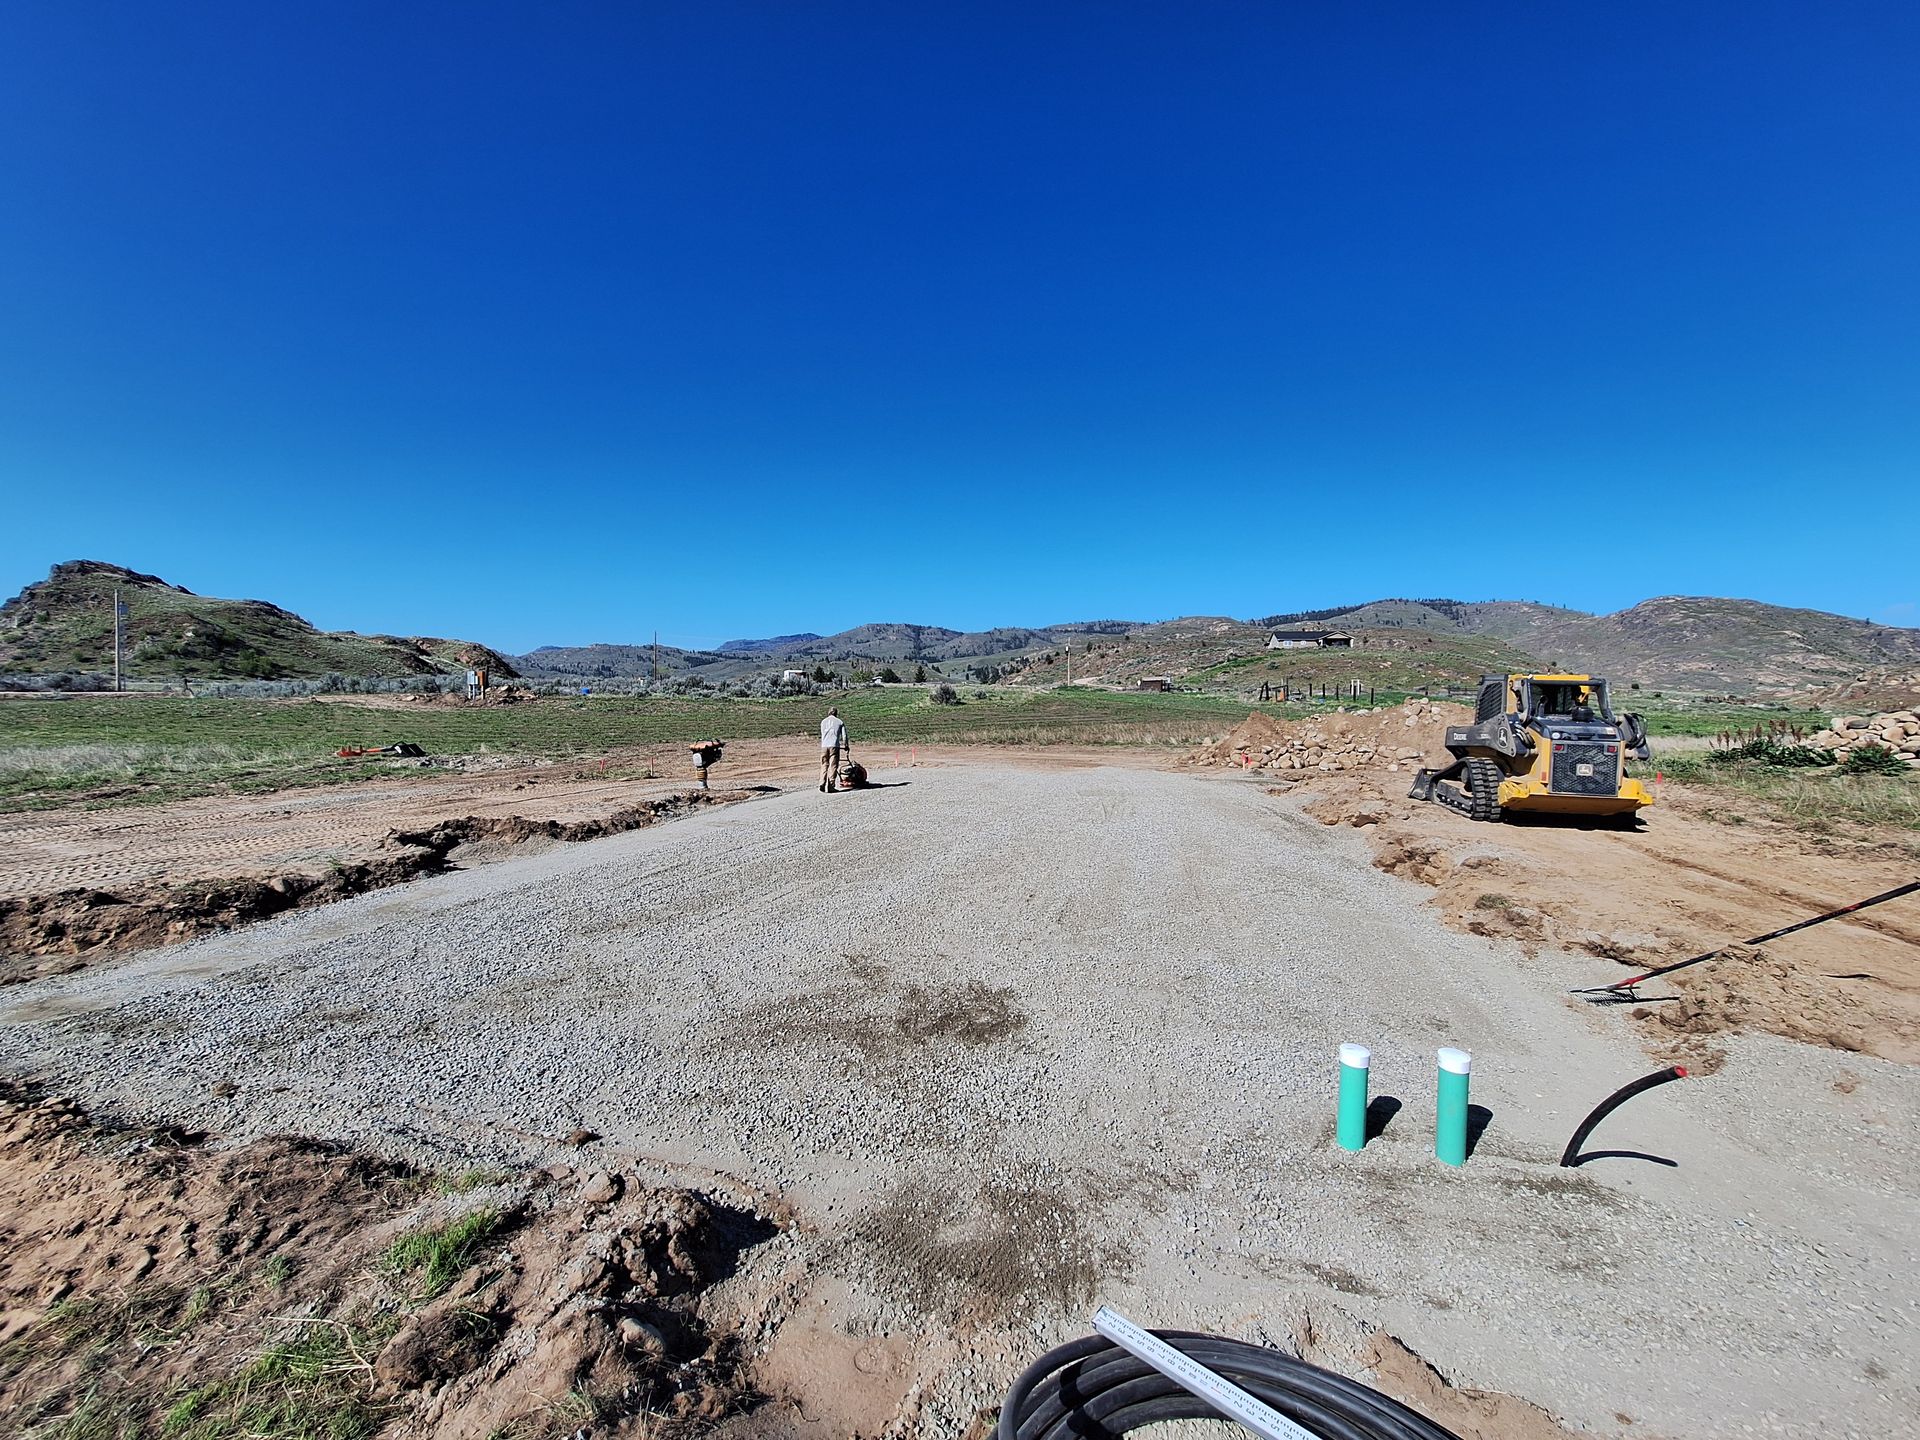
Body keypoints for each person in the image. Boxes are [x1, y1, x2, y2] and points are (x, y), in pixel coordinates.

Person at [819, 707, 850, 792]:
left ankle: (822, 782)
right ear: (836, 713)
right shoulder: (839, 722)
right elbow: (844, 736)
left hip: (824, 746)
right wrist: (846, 745)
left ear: (828, 713)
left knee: (824, 765)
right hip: (834, 746)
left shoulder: (823, 722)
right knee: (833, 766)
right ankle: (831, 786)